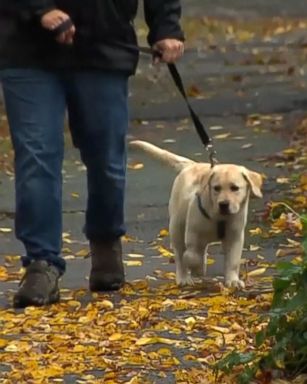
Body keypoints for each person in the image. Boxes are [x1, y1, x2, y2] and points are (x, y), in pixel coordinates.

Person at [0, 1, 184, 308]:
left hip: (105, 46)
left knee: (106, 159)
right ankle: (41, 262)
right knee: (36, 156)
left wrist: (165, 27)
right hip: (27, 49)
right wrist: (39, 9)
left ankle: (106, 239)